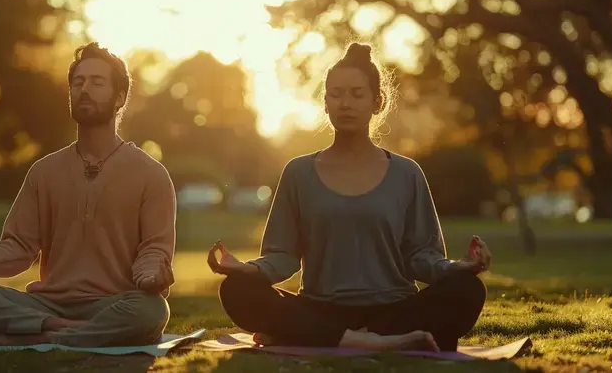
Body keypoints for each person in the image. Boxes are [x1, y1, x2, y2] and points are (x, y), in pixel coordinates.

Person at [207, 42, 492, 352]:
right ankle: (360, 340)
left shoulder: (407, 173)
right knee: (237, 290)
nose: (345, 103)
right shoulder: (298, 173)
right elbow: (282, 255)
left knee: (467, 290)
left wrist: (457, 268)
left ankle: (315, 336)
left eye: (357, 94)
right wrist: (247, 269)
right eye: (336, 94)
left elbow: (421, 257)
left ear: (376, 102)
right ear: (325, 103)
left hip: (393, 310)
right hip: (319, 308)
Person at [0, 42, 177, 347]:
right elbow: (17, 248)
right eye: (78, 82)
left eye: (97, 82)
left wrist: (151, 276)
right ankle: (56, 330)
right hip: (45, 306)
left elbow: (154, 252)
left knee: (152, 310)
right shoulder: (44, 171)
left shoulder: (151, 175)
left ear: (120, 98)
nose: (84, 89)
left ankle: (14, 338)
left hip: (114, 305)